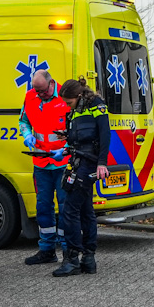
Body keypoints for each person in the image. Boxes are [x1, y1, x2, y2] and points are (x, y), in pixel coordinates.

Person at [54, 77, 111, 277]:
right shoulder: (76, 110)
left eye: (68, 102)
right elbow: (81, 134)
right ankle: (88, 258)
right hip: (79, 159)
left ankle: (72, 259)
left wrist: (102, 163)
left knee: (69, 210)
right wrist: (67, 139)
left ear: (78, 96)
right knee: (86, 211)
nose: (66, 105)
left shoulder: (96, 105)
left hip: (88, 162)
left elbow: (105, 133)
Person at [18, 68, 71, 267]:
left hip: (62, 162)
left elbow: (74, 130)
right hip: (41, 162)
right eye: (36, 91)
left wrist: (66, 149)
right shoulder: (30, 97)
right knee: (43, 207)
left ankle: (68, 250)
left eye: (42, 91)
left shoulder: (65, 97)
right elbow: (23, 121)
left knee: (65, 207)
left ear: (51, 83)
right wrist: (27, 135)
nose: (39, 95)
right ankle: (47, 249)